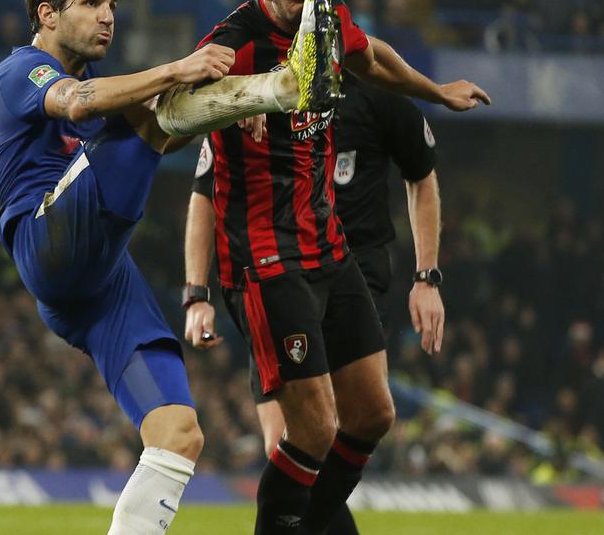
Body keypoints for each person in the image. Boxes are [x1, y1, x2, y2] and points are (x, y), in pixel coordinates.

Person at [0, 0, 340, 534]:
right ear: (46, 15)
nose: (108, 17)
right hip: (44, 235)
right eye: (92, 3)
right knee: (140, 115)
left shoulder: (100, 91)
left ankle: (272, 89)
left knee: (178, 433)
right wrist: (192, 74)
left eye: (113, 6)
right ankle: (281, 85)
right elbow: (83, 104)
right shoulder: (20, 69)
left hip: (97, 281)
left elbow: (159, 134)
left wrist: (224, 109)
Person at [172, 0, 488, 533]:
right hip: (268, 261)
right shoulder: (232, 44)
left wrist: (436, 91)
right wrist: (230, 103)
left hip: (330, 249)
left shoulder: (327, 19)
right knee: (308, 430)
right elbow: (170, 123)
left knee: (372, 414)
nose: (313, 3)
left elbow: (376, 59)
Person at [184, 66, 445, 533]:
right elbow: (205, 194)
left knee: (356, 419)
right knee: (291, 439)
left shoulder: (374, 94)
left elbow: (422, 174)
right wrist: (195, 293)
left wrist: (427, 277)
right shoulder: (256, 89)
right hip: (274, 271)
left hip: (353, 272)